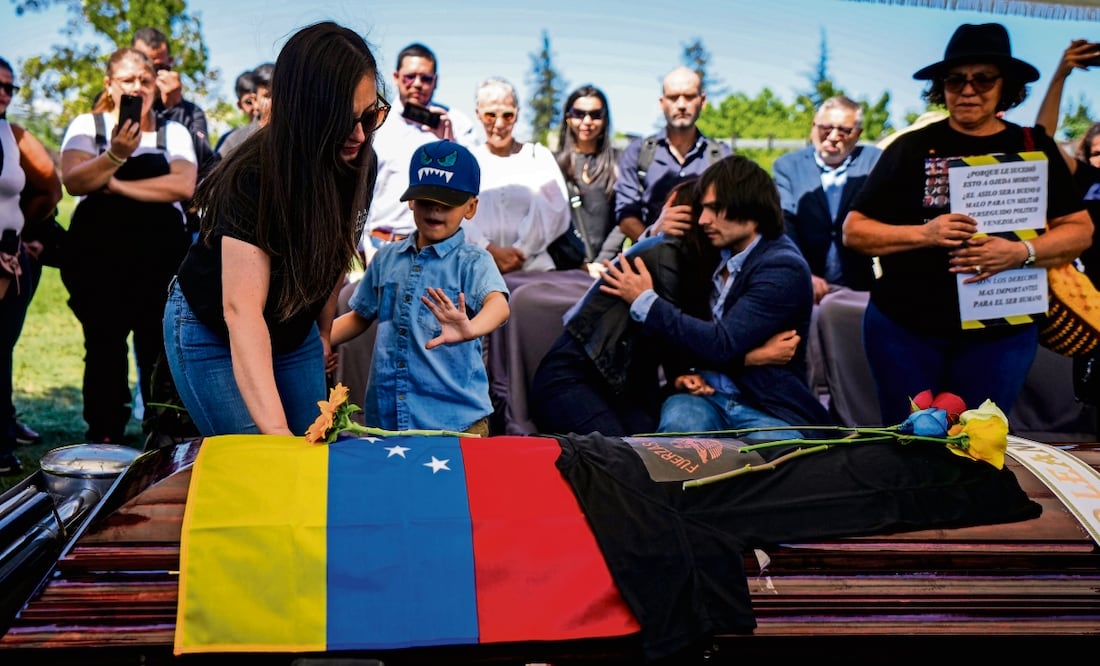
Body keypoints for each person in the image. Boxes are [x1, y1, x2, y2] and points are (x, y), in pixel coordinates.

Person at [843, 22, 1094, 426]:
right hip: (905, 329)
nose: (968, 90)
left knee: (975, 444)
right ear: (941, 87)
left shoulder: (1032, 146)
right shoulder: (910, 147)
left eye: (983, 79)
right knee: (908, 440)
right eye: (955, 80)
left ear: (1005, 86)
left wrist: (1019, 252)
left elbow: (1079, 230)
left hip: (1002, 334)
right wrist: (925, 234)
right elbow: (855, 230)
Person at [163, 21, 385, 436]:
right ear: (306, 110)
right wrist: (278, 439)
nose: (360, 134)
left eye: (371, 115)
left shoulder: (361, 162)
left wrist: (322, 332)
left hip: (293, 327)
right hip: (215, 329)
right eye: (345, 119)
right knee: (262, 460)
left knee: (313, 451)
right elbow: (241, 312)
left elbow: (337, 252)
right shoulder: (254, 175)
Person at [530, 176, 800, 437]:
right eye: (707, 211)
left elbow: (687, 340)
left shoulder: (700, 267)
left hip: (621, 390)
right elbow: (684, 339)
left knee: (653, 461)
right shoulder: (666, 254)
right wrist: (751, 357)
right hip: (575, 381)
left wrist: (682, 374)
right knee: (623, 462)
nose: (710, 220)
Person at [600, 156, 830, 437]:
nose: (703, 220)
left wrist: (645, 301)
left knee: (772, 457)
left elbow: (721, 344)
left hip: (764, 405)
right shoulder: (713, 253)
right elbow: (686, 334)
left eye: (715, 208)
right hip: (699, 395)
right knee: (674, 443)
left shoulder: (782, 266)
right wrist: (750, 357)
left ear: (750, 207)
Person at [60, 47, 197, 444]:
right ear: (109, 85)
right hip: (99, 260)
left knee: (159, 349)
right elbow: (74, 180)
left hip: (159, 260)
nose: (138, 88)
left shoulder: (175, 132)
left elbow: (182, 184)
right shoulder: (88, 126)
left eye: (145, 81)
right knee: (103, 347)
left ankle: (162, 431)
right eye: (128, 81)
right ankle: (104, 434)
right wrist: (117, 153)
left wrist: (116, 182)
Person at [332, 140, 509, 436]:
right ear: (411, 201)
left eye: (447, 202)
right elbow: (359, 316)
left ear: (471, 207)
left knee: (454, 484)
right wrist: (316, 342)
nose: (435, 209)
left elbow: (499, 305)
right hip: (388, 419)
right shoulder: (388, 257)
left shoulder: (473, 261)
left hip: (456, 422)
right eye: (426, 200)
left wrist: (471, 328)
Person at [772, 95, 882, 401]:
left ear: (857, 134)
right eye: (826, 129)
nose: (833, 137)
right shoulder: (787, 166)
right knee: (807, 354)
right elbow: (783, 224)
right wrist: (802, 273)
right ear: (813, 128)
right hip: (808, 281)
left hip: (859, 283)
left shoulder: (875, 161)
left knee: (855, 356)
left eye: (843, 131)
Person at [0, 56, 62, 474]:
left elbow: (49, 186)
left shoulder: (12, 134)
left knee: (2, 345)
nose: (4, 93)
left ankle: (3, 432)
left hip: (9, 255)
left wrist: (27, 231)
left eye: (10, 87)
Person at [358, 43, 476, 261]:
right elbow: (359, 187)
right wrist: (364, 243)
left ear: (436, 81)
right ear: (396, 77)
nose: (418, 84)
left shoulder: (457, 124)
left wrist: (448, 142)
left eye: (426, 78)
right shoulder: (375, 123)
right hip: (382, 246)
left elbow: (472, 186)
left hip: (439, 249)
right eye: (410, 77)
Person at [614, 66, 730, 243]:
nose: (681, 105)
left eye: (689, 96)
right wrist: (654, 233)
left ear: (702, 100)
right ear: (662, 103)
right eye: (673, 97)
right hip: (652, 262)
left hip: (711, 264)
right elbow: (625, 213)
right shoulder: (639, 152)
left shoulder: (721, 156)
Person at [467, 77, 571, 274]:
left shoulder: (537, 156)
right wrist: (488, 250)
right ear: (478, 114)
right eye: (490, 115)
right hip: (477, 270)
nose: (499, 124)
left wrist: (521, 251)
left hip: (532, 269)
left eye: (507, 115)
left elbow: (556, 208)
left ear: (517, 114)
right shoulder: (467, 160)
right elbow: (455, 214)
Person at [1036, 38, 1100, 286]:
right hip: (1086, 302)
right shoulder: (1084, 179)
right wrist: (1061, 74)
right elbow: (1043, 140)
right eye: (1096, 152)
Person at [553, 84, 626, 267]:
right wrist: (580, 264)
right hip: (565, 268)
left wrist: (603, 262)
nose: (587, 121)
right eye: (579, 113)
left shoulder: (620, 161)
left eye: (595, 114)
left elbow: (624, 217)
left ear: (604, 119)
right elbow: (550, 221)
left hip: (609, 268)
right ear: (568, 118)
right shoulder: (553, 164)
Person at [131, 27, 216, 178]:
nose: (152, 76)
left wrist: (174, 107)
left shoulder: (191, 112)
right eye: (146, 67)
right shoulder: (118, 105)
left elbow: (204, 164)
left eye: (160, 68)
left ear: (170, 63)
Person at [213, 64, 273, 159]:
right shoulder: (234, 142)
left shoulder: (297, 136)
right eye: (268, 96)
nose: (275, 101)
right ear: (255, 100)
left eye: (280, 94)